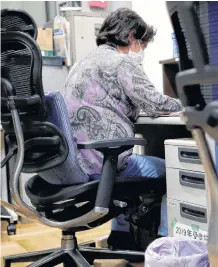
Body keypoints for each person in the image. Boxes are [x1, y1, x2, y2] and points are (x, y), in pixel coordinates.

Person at [63, 8, 183, 250]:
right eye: (140, 44)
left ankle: (120, 235)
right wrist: (191, 104)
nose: (139, 51)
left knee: (118, 159)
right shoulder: (120, 62)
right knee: (173, 172)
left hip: (75, 161)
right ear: (130, 36)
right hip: (101, 161)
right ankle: (163, 247)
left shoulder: (81, 63)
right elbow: (156, 102)